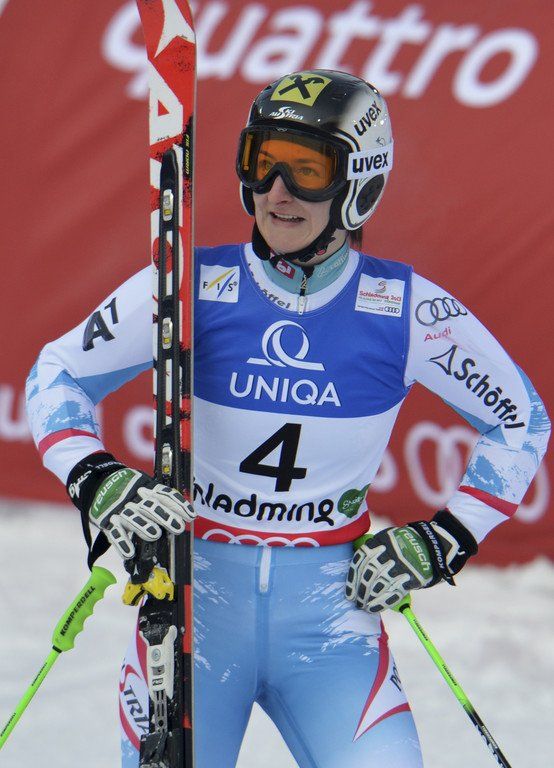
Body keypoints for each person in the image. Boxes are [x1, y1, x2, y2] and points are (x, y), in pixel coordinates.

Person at [26, 70, 549, 768]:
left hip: (333, 629)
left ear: (360, 184)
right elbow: (57, 373)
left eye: (309, 169)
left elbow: (521, 420)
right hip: (194, 617)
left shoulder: (406, 310)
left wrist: (445, 539)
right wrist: (95, 477)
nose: (278, 191)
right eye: (262, 160)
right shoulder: (186, 286)